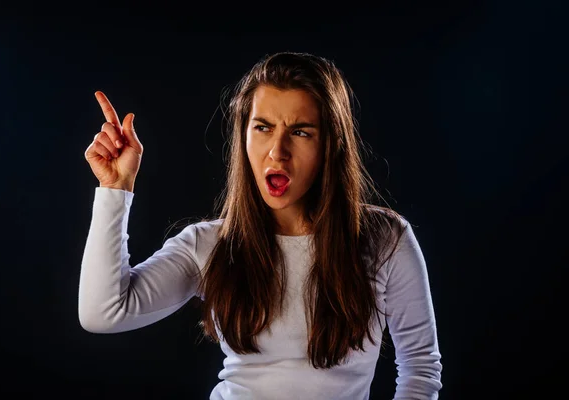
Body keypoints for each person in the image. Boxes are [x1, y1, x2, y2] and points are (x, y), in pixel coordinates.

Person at [79, 52, 443, 399]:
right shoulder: (209, 245)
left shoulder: (385, 239)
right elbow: (103, 313)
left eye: (301, 131)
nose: (277, 151)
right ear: (243, 136)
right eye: (263, 127)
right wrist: (115, 188)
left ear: (331, 144)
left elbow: (420, 367)